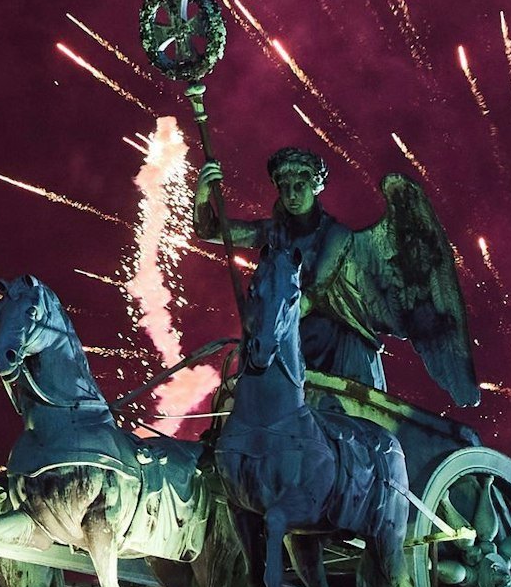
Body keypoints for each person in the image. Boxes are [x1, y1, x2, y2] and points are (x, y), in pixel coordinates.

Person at [195, 147, 480, 406]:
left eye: (299, 186)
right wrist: (204, 191)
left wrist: (266, 332)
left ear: (315, 187)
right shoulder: (275, 233)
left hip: (342, 347)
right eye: (285, 188)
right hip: (296, 338)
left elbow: (312, 294)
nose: (292, 195)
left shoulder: (337, 236)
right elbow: (210, 231)